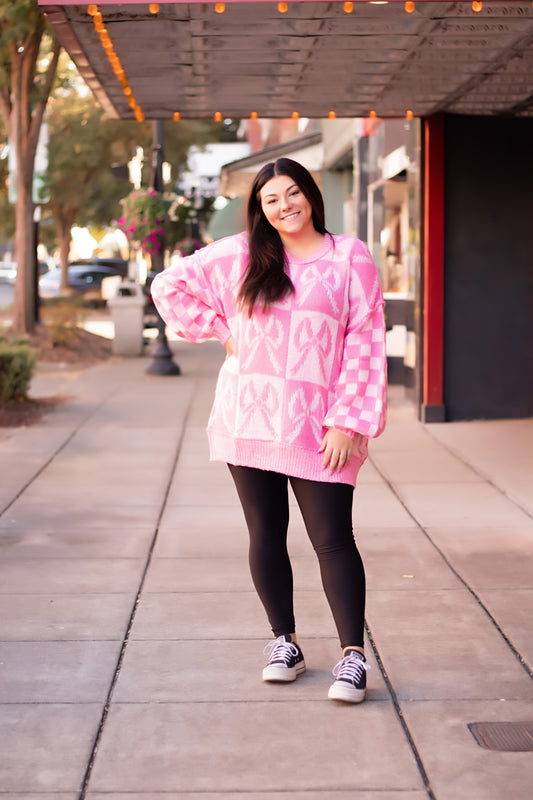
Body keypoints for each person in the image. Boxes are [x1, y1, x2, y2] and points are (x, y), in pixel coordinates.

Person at [151, 158, 387, 704]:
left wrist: (348, 421)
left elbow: (365, 339)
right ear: (261, 210)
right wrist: (222, 331)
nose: (285, 207)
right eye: (271, 200)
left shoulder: (348, 256)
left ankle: (354, 657)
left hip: (321, 425)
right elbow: (169, 285)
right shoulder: (243, 254)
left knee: (332, 538)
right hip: (249, 415)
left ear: (311, 194)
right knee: (265, 534)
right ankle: (285, 642)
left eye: (293, 193)